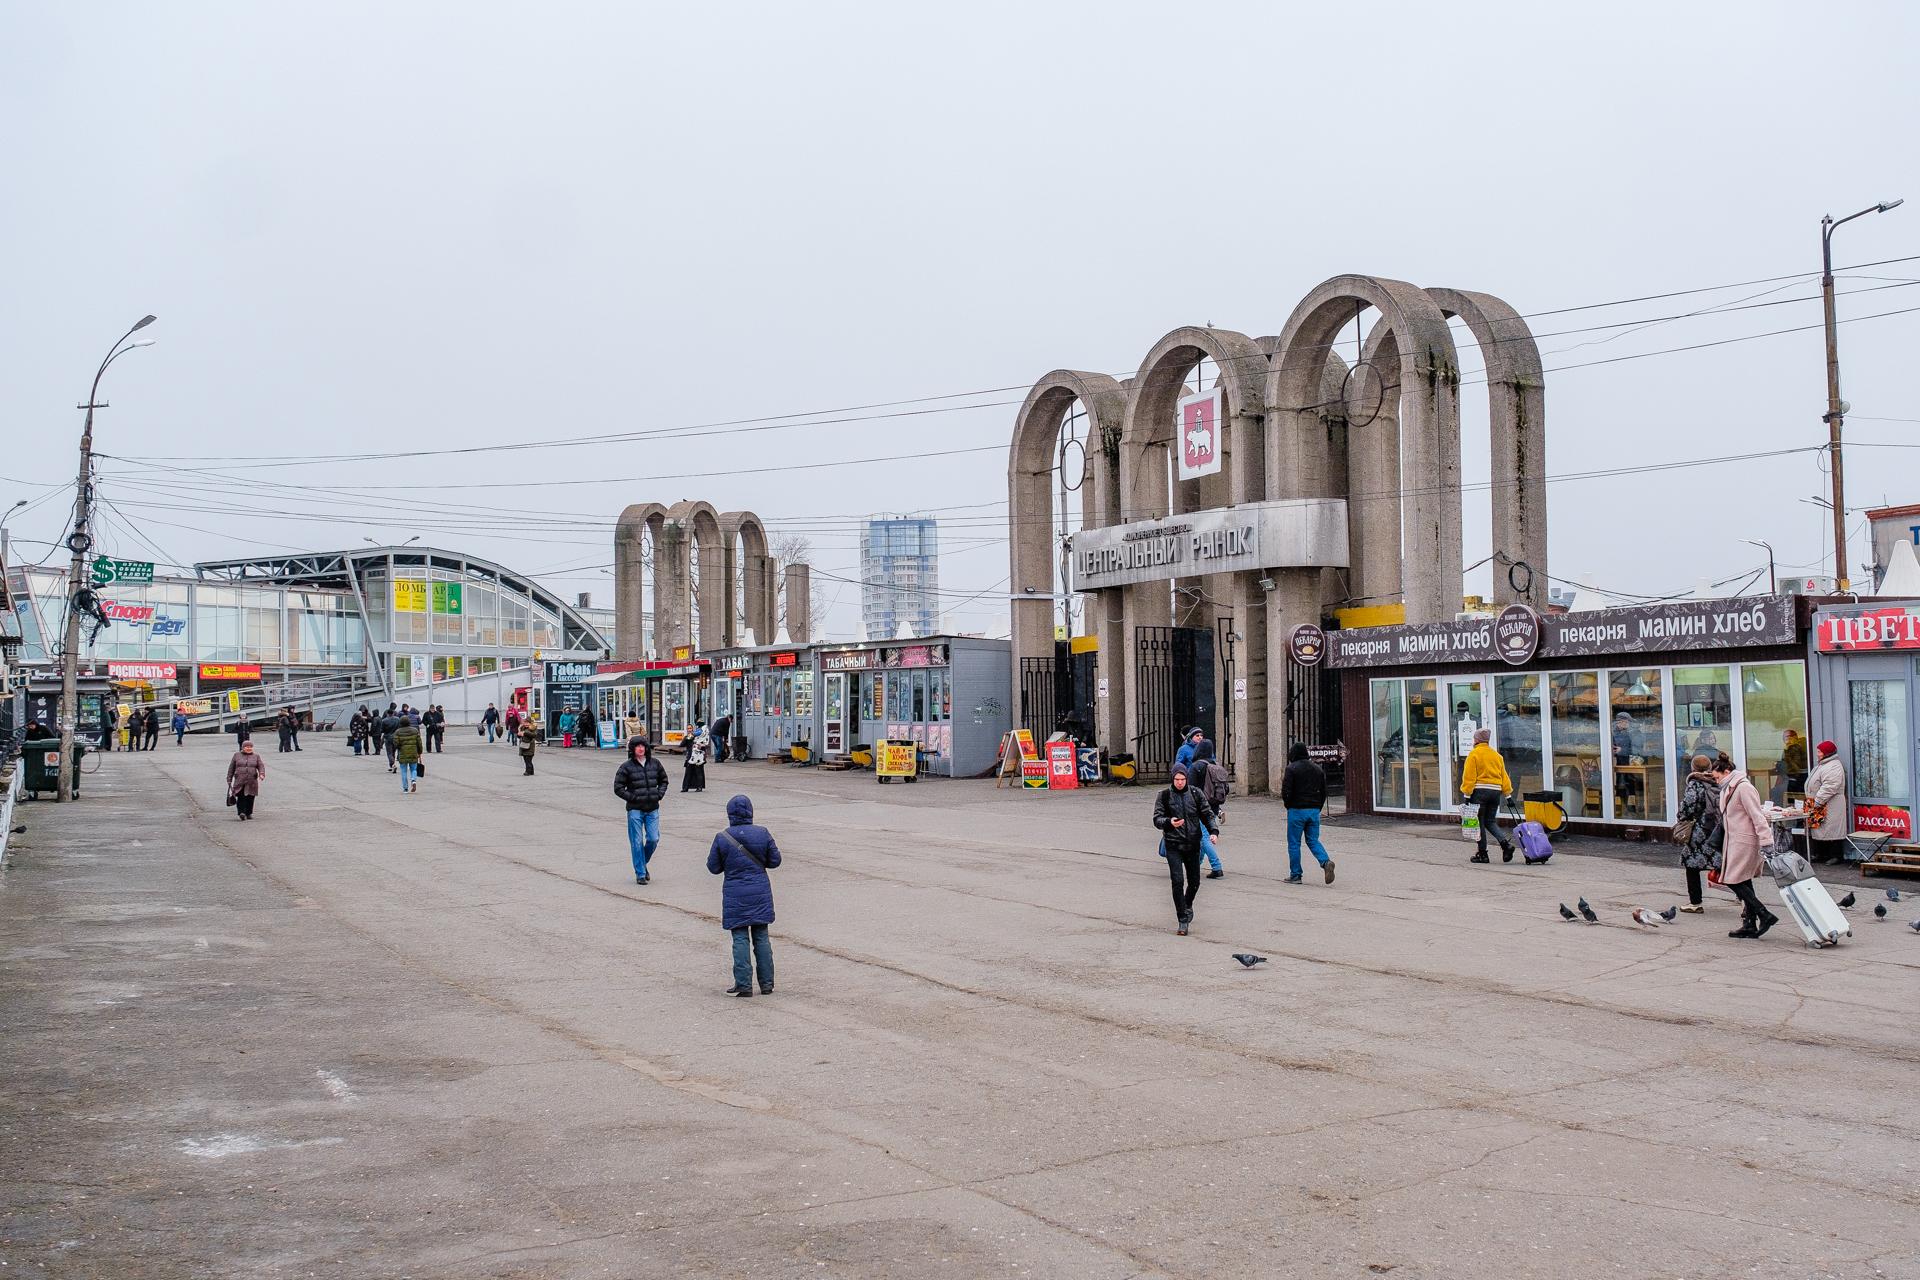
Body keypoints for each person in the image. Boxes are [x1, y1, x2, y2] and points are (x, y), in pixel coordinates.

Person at [708, 794, 782, 997]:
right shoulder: (762, 833)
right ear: (750, 811)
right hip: (760, 891)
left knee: (740, 938)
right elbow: (775, 861)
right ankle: (767, 984)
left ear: (729, 813)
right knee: (762, 936)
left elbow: (713, 867)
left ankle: (744, 985)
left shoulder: (723, 837)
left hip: (735, 893)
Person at [1711, 753, 1779, 939]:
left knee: (1732, 879)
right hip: (1734, 840)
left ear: (1727, 772)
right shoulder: (1728, 788)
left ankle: (1764, 914)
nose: (1716, 781)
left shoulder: (1744, 788)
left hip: (1745, 841)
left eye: (1717, 777)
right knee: (1744, 880)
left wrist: (1766, 842)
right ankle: (1749, 923)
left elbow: (1758, 816)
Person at [1152, 763, 1218, 937]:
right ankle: (1182, 919)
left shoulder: (1196, 794)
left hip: (1192, 844)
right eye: (1177, 779)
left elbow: (1207, 813)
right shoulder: (1164, 796)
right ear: (1172, 779)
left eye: (1182, 779)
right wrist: (1168, 822)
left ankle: (1187, 905)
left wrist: (1213, 831)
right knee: (1177, 881)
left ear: (1186, 779)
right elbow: (1157, 818)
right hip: (1173, 844)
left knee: (1194, 881)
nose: (1180, 782)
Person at [1280, 741, 1337, 884]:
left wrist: (1289, 805)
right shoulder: (1317, 769)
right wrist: (1318, 807)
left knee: (1294, 843)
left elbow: (1286, 791)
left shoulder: (1291, 769)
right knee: (1312, 840)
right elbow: (1324, 792)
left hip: (1296, 810)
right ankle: (1325, 862)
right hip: (1313, 811)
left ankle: (1296, 874)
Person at [615, 735, 670, 882]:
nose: (640, 748)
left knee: (653, 838)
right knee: (637, 841)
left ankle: (642, 863)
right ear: (632, 749)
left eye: (643, 746)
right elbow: (618, 788)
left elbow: (664, 780)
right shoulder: (626, 767)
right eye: (637, 746)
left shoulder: (655, 764)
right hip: (635, 809)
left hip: (652, 808)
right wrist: (632, 797)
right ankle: (640, 873)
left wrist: (659, 794)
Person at [1458, 728, 1514, 863]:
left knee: (1478, 823)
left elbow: (1469, 777)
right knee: (1490, 821)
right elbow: (1504, 777)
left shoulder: (1474, 754)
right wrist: (1508, 795)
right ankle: (1505, 845)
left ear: (1477, 739)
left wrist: (1467, 794)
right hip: (1495, 792)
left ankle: (1482, 854)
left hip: (1479, 792)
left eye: (1474, 738)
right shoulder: (1496, 756)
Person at [1673, 754, 1722, 913]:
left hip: (1699, 830)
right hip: (1717, 828)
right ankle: (1744, 898)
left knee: (1691, 865)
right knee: (1722, 863)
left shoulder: (1695, 784)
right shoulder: (1717, 781)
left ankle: (1695, 903)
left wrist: (1681, 817)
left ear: (1693, 768)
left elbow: (1688, 807)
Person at [1187, 738, 1226, 878]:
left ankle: (1217, 867)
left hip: (1199, 807)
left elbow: (1190, 789)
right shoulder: (1215, 765)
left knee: (1204, 837)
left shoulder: (1196, 766)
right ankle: (1196, 864)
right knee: (1202, 836)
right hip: (1214, 807)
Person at [1805, 740, 1847, 864]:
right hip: (1817, 802)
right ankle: (1821, 854)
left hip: (1828, 803)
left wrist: (1817, 801)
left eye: (1819, 751)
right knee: (1818, 828)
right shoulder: (1823, 764)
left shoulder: (1833, 765)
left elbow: (1830, 786)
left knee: (1831, 829)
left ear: (1827, 753)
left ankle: (1835, 856)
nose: (1817, 754)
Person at [226, 739, 265, 820]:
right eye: (247, 747)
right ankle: (241, 813)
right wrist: (229, 778)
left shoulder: (256, 756)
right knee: (241, 797)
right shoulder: (236, 755)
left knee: (250, 797)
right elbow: (231, 767)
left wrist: (261, 774)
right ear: (243, 747)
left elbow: (261, 766)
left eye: (250, 747)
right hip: (240, 780)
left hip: (252, 781)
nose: (249, 748)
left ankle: (249, 813)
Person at [1775, 728, 1809, 805]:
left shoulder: (1797, 748)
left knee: (1777, 792)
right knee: (1776, 790)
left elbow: (1794, 767)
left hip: (1800, 778)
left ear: (1795, 738)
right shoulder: (1787, 749)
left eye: (1789, 737)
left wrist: (1779, 765)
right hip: (1791, 778)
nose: (1787, 739)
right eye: (1785, 738)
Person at [392, 715, 423, 793]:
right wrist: (420, 751)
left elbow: (395, 743)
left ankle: (405, 788)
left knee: (403, 771)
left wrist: (399, 747)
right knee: (414, 769)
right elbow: (419, 742)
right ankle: (413, 780)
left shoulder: (398, 732)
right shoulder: (415, 730)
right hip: (413, 752)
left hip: (402, 753)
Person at [682, 723, 709, 793]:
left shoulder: (699, 736)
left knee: (698, 772)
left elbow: (705, 744)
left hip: (698, 756)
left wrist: (701, 746)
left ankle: (699, 787)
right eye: (688, 729)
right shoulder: (689, 736)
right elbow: (682, 744)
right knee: (688, 772)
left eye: (690, 728)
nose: (689, 730)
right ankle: (685, 787)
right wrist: (687, 737)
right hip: (690, 756)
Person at [380, 706, 404, 772]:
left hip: (388, 738)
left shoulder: (384, 721)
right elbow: (400, 727)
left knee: (389, 753)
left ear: (387, 714)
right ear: (393, 713)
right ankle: (392, 765)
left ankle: (392, 764)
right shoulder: (398, 719)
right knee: (393, 751)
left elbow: (382, 730)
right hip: (396, 737)